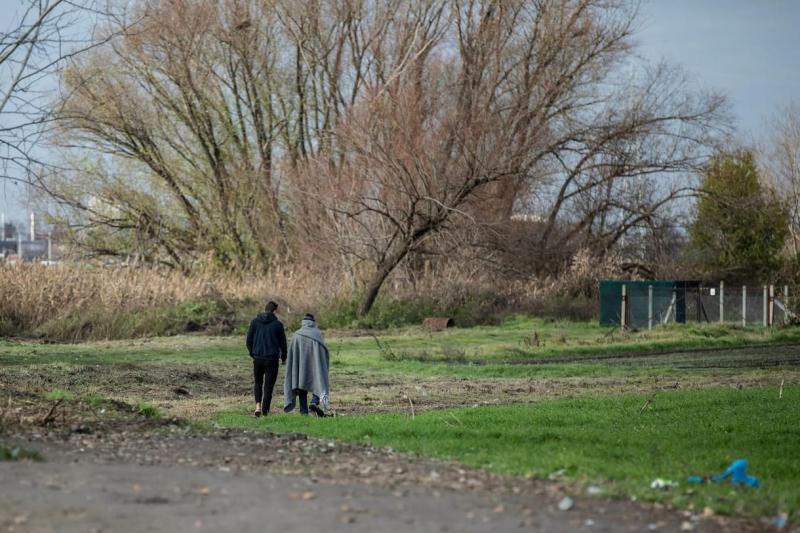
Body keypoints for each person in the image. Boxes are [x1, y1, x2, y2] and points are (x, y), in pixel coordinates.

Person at [283, 313, 330, 417]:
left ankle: (304, 412)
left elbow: (292, 355)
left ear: (303, 323)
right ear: (313, 322)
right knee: (318, 380)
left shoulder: (297, 335)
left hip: (300, 368)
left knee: (301, 386)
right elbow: (324, 353)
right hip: (315, 366)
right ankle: (314, 402)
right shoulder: (318, 334)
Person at [246, 300, 287, 417]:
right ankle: (265, 411)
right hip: (272, 359)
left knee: (258, 383)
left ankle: (257, 406)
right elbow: (283, 343)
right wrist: (284, 357)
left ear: (265, 309)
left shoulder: (254, 322)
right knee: (268, 386)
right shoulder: (278, 325)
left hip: (258, 358)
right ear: (274, 311)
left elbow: (249, 340)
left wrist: (252, 353)